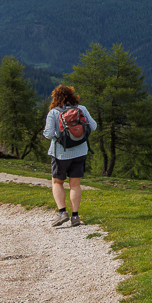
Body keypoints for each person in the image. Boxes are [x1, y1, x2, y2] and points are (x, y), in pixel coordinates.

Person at [43, 84, 97, 227]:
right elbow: (94, 126)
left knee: (57, 182)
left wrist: (58, 135)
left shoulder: (54, 113)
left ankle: (62, 213)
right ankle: (75, 217)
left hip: (60, 153)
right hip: (80, 152)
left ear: (56, 97)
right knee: (75, 184)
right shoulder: (81, 109)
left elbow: (48, 134)